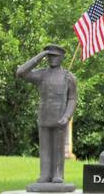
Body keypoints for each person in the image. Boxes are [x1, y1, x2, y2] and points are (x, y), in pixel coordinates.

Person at [16, 45, 77, 183]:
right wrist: (39, 56)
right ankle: (45, 174)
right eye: (49, 56)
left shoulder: (68, 77)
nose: (52, 59)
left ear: (62, 58)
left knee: (58, 148)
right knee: (44, 148)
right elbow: (21, 73)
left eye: (55, 56)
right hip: (44, 116)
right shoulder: (41, 74)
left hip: (60, 117)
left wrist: (67, 116)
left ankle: (57, 174)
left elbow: (72, 99)